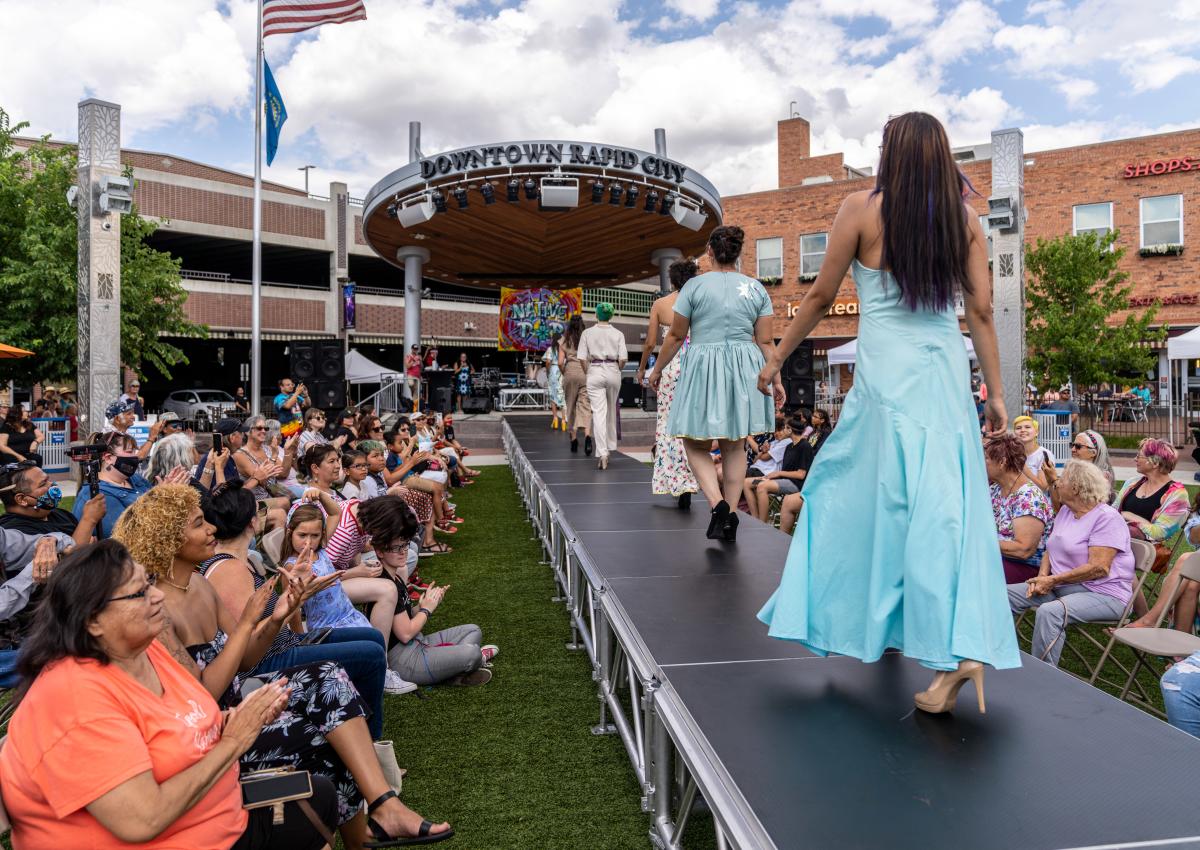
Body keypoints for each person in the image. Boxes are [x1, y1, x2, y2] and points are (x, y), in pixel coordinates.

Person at [757, 112, 1021, 714]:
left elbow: (821, 297)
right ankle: (953, 646)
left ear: (891, 155)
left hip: (887, 380)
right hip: (943, 374)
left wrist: (777, 359)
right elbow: (980, 314)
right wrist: (998, 393)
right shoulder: (966, 222)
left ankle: (925, 642)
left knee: (857, 497)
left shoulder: (860, 209)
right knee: (941, 509)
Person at [0, 540, 343, 850]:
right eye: (139, 593)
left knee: (319, 792)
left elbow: (185, 716)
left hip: (214, 816)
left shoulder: (145, 650)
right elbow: (142, 820)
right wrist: (234, 741)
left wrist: (231, 720)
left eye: (149, 583)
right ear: (92, 621)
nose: (158, 595)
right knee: (314, 792)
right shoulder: (75, 698)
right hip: (181, 835)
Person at [649, 226, 782, 542]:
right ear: (738, 253)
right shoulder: (756, 289)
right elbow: (765, 340)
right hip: (744, 366)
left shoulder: (694, 287)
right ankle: (731, 514)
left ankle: (717, 504)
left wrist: (657, 370)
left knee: (692, 441)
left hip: (704, 365)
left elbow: (677, 336)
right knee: (734, 443)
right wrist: (776, 378)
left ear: (709, 251)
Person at [326, 496, 497, 687]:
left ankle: (451, 673)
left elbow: (401, 618)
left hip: (418, 643)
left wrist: (423, 605)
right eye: (396, 547)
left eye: (405, 545)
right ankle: (463, 664)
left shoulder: (397, 574)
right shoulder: (382, 584)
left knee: (474, 630)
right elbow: (405, 633)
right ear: (380, 550)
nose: (403, 552)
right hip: (405, 658)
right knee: (472, 653)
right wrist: (427, 610)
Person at [1007, 460, 1134, 667]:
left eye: (1062, 480)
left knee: (1050, 612)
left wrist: (1052, 580)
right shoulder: (1066, 511)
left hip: (1104, 594)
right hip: (1061, 586)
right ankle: (988, 655)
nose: (1057, 483)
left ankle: (1043, 676)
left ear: (1076, 487)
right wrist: (1042, 577)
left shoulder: (1107, 518)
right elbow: (1051, 546)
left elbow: (1099, 568)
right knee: (1000, 595)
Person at [637, 259, 700, 509]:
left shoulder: (661, 305)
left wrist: (644, 368)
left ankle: (676, 480)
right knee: (694, 424)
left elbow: (651, 343)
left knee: (668, 425)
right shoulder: (700, 300)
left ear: (672, 280)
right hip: (698, 365)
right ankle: (694, 476)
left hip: (672, 366)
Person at [984, 433, 1053, 584]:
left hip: (1024, 567)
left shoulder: (1028, 498)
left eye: (986, 459)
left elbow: (1024, 550)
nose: (982, 464)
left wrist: (982, 542)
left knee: (974, 573)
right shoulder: (995, 489)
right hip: (998, 558)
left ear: (1002, 462)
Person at [0, 461, 104, 545]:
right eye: (43, 484)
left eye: (48, 480)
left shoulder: (60, 514)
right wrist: (89, 520)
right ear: (22, 499)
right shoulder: (15, 534)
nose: (52, 485)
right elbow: (66, 562)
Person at [73, 431, 154, 538]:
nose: (135, 456)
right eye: (130, 452)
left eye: (135, 451)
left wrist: (166, 491)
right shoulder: (98, 494)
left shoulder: (134, 479)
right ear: (108, 458)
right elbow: (126, 536)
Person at [578, 303, 628, 470]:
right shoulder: (618, 334)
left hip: (595, 370)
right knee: (611, 412)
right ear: (611, 316)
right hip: (613, 370)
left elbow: (582, 358)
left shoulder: (587, 333)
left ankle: (603, 452)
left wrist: (588, 372)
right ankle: (609, 447)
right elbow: (623, 359)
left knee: (598, 413)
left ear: (596, 315)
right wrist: (616, 369)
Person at [234, 414, 303, 501]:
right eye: (259, 428)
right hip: (256, 501)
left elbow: (283, 474)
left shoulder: (267, 449)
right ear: (248, 432)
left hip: (274, 496)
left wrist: (288, 451)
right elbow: (263, 480)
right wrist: (273, 457)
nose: (263, 431)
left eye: (265, 428)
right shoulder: (240, 455)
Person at [559, 314, 593, 455]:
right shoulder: (587, 339)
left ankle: (573, 439)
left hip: (570, 373)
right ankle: (587, 437)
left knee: (570, 406)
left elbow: (560, 362)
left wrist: (564, 372)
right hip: (585, 373)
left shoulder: (564, 340)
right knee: (585, 406)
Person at [1012, 414, 1056, 492]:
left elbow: (1044, 487)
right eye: (1018, 428)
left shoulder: (1044, 454)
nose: (1022, 430)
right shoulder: (1012, 453)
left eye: (1027, 427)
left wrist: (1024, 469)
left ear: (1036, 432)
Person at [543, 335, 565, 429]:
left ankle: (555, 419)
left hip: (553, 371)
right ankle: (564, 421)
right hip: (562, 371)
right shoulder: (563, 348)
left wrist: (548, 370)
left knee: (552, 395)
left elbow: (548, 362)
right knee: (563, 397)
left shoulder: (550, 349)